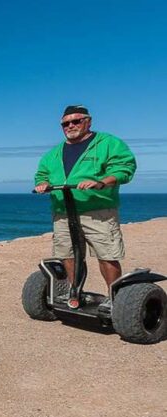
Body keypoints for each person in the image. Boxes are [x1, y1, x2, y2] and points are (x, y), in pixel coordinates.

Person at [34, 105, 137, 307]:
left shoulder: (108, 143)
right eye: (65, 123)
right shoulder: (54, 153)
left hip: (97, 211)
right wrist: (42, 184)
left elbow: (125, 168)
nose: (70, 126)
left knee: (106, 255)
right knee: (67, 254)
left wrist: (101, 182)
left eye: (76, 121)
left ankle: (115, 299)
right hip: (63, 211)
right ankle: (75, 292)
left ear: (88, 121)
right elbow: (42, 174)